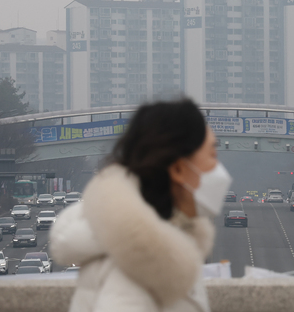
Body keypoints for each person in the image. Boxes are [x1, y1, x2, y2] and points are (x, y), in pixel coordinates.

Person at [50, 99, 232, 312]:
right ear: (178, 170)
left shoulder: (152, 253)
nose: (218, 168)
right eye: (212, 155)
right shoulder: (137, 271)